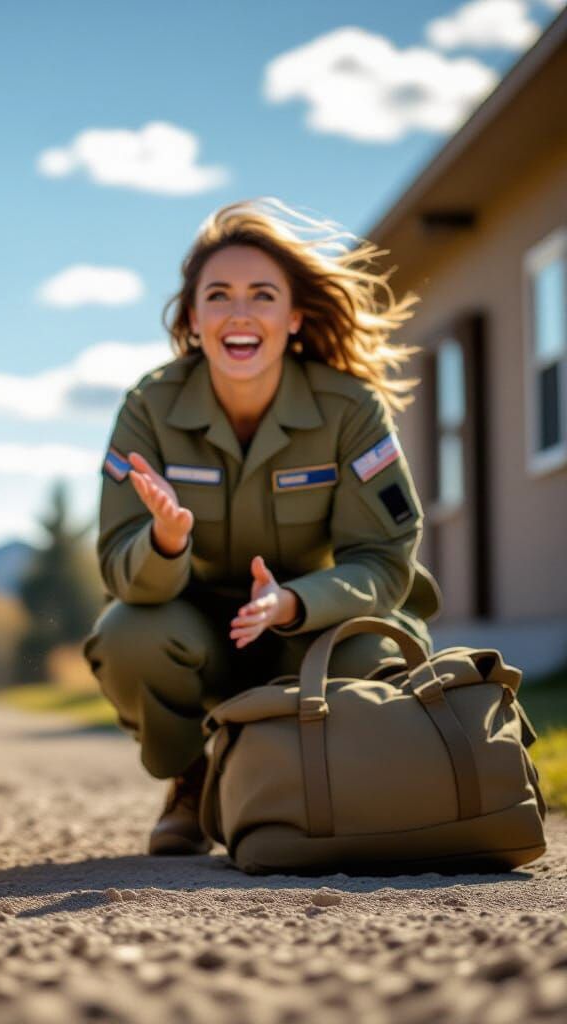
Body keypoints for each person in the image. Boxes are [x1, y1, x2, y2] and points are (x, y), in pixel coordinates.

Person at [83, 198, 442, 856]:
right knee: (126, 636)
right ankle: (194, 777)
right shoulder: (150, 408)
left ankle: (321, 784)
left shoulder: (348, 409)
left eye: (262, 295)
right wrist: (165, 542)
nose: (240, 313)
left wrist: (294, 602)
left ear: (294, 315)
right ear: (193, 318)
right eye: (218, 295)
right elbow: (115, 564)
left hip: (313, 629)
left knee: (369, 656)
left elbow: (386, 560)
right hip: (194, 635)